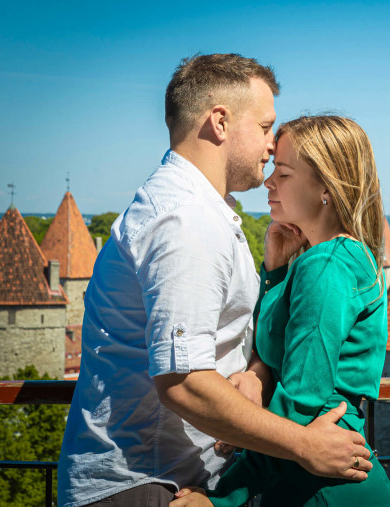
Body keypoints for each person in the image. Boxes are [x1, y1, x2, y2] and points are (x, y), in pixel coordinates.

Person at [57, 55, 372, 507]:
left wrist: (255, 373)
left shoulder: (197, 210)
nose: (271, 145)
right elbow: (183, 381)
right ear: (220, 122)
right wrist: (305, 445)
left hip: (170, 479)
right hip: (149, 485)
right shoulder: (187, 221)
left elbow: (222, 339)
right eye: (265, 127)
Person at [170, 115, 390, 506]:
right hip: (313, 469)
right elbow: (279, 344)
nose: (269, 182)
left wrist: (221, 499)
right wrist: (275, 271)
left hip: (320, 480)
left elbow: (302, 403)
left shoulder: (326, 266)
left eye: (285, 173)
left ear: (326, 187)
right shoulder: (335, 258)